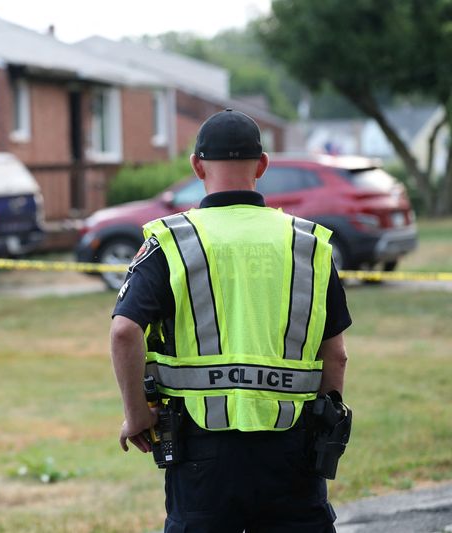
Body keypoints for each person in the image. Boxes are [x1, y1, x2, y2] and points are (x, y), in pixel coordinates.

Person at [110, 109, 351, 533]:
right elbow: (337, 356)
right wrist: (322, 431)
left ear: (197, 166)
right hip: (292, 449)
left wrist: (136, 416)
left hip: (201, 452)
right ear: (262, 166)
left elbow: (124, 331)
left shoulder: (171, 242)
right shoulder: (308, 245)